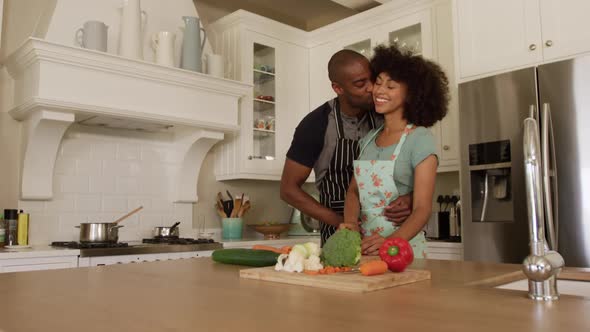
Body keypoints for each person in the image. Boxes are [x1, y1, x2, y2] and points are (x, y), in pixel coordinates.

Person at [281, 49, 412, 246]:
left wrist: (409, 198)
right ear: (338, 88)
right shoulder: (315, 124)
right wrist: (343, 222)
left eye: (373, 80)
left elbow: (413, 169)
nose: (372, 89)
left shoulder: (386, 116)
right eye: (360, 84)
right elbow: (288, 189)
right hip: (338, 231)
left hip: (385, 227)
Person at [342, 45, 450, 258]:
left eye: (390, 86)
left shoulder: (420, 139)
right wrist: (351, 225)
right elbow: (354, 191)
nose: (379, 91)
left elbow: (422, 208)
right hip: (366, 248)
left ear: (411, 95)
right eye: (378, 83)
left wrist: (391, 243)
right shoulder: (367, 140)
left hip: (401, 248)